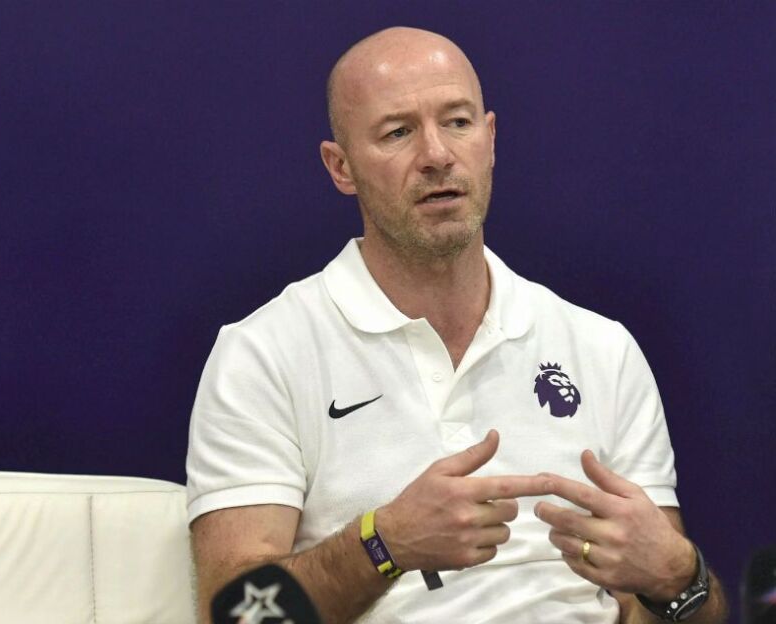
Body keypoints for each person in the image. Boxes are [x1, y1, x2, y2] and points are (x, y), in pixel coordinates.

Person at [185, 26, 728, 623]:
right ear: (341, 167)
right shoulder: (262, 355)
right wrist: (383, 545)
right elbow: (232, 614)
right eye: (398, 132)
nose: (437, 155)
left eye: (458, 122)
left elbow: (667, 607)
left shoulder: (603, 349)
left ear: (490, 139)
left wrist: (678, 577)